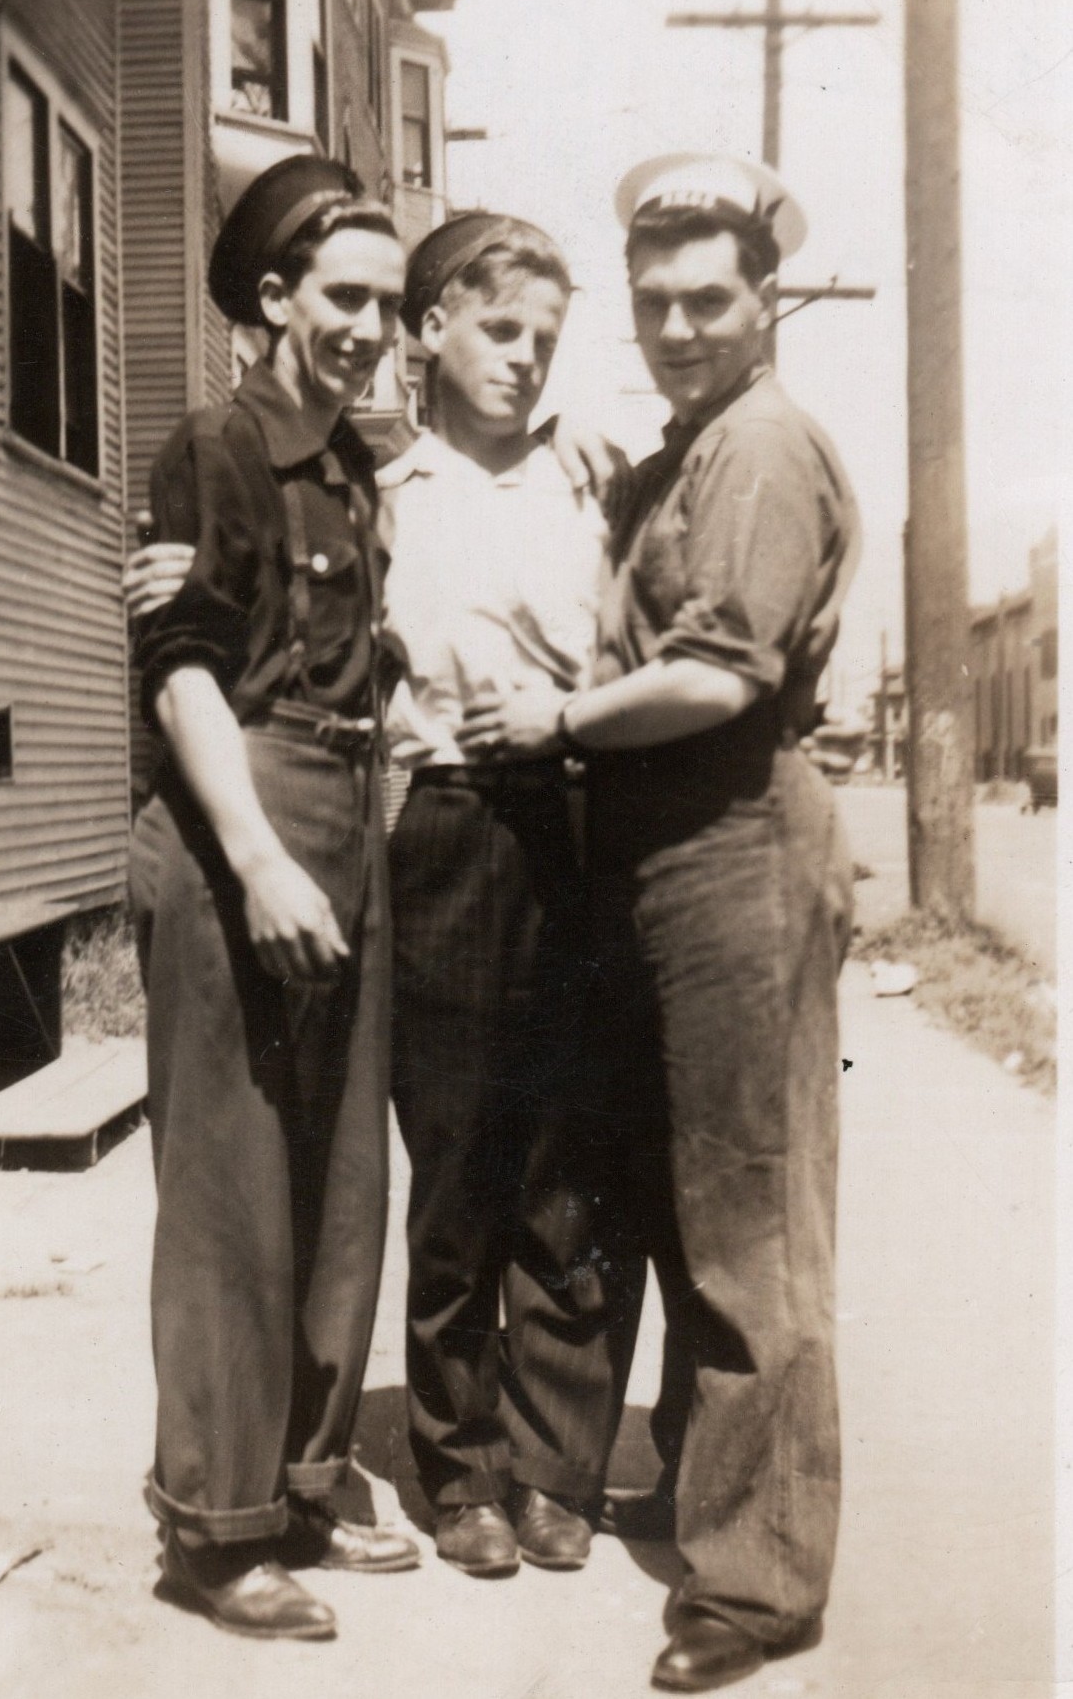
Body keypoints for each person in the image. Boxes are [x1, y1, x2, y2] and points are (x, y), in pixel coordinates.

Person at [550, 155, 860, 1693]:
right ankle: (708, 1489)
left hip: (735, 830)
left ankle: (759, 1583)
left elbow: (721, 673)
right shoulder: (684, 455)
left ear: (766, 301)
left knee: (750, 1218)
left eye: (708, 300)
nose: (677, 327)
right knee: (680, 1209)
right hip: (663, 846)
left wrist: (554, 722)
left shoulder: (761, 447)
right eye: (653, 301)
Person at [127, 152, 418, 1648]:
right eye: (344, 298)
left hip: (346, 813)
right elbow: (183, 672)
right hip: (238, 817)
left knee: (342, 1178)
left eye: (389, 305)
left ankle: (302, 1482)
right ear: (273, 298)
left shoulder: (352, 471)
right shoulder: (218, 448)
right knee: (232, 1191)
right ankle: (216, 1528)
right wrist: (256, 861)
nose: (372, 329)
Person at [380, 215, 609, 1577]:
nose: (525, 358)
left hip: (573, 819)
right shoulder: (385, 493)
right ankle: (462, 1465)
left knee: (566, 1159)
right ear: (430, 329)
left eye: (546, 338)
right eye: (499, 329)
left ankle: (557, 1462)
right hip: (453, 826)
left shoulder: (591, 484)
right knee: (459, 1151)